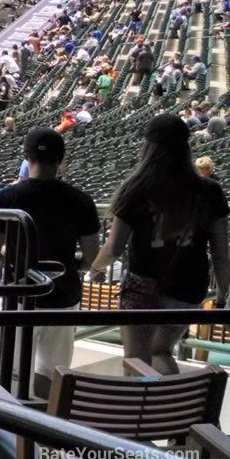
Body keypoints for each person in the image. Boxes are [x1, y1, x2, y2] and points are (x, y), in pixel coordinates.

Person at [90, 114, 230, 374]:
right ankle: (166, 410)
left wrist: (95, 269)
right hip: (188, 289)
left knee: (136, 360)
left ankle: (141, 411)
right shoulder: (210, 191)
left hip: (142, 288)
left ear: (148, 147)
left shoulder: (135, 188)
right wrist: (222, 294)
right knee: (162, 352)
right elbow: (222, 253)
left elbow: (113, 248)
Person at [0, 128, 100, 391]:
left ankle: (11, 428)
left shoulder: (4, 197)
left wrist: (9, 253)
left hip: (16, 297)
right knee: (51, 378)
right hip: (62, 296)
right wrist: (74, 262)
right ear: (61, 160)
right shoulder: (82, 200)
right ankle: (42, 429)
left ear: (26, 157)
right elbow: (93, 257)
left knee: (10, 378)